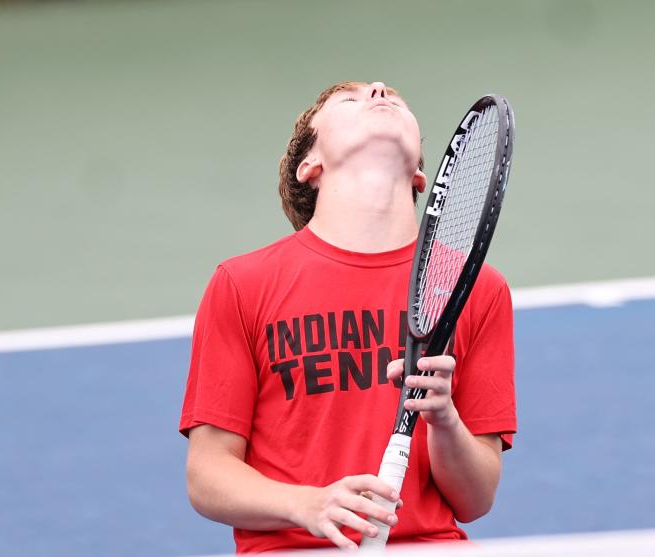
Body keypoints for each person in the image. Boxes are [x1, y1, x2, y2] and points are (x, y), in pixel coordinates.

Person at [179, 81, 516, 553]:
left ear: (421, 172)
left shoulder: (476, 288)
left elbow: (476, 497)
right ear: (310, 166)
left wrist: (445, 421)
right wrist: (309, 505)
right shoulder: (242, 284)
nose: (379, 90)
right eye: (350, 99)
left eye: (394, 98)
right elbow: (207, 475)